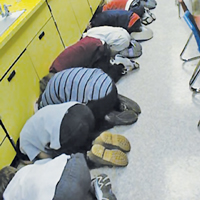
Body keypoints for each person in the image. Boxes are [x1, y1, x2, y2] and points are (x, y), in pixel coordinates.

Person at [20, 101, 134, 167]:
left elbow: (44, 158)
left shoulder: (24, 144)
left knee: (62, 158)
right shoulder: (33, 121)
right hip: (82, 110)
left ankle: (91, 156)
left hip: (70, 127)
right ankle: (97, 139)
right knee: (80, 135)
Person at [0, 153, 117, 200]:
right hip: (77, 165)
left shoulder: (9, 194)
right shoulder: (27, 169)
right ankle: (94, 186)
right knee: (76, 191)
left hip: (62, 194)